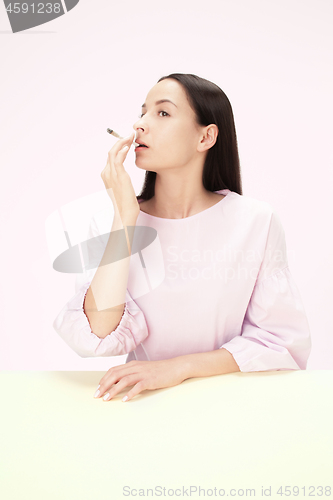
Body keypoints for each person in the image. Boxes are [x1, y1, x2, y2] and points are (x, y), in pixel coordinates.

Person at [53, 73, 312, 403]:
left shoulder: (255, 221)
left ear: (206, 137)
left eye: (162, 113)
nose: (139, 126)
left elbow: (280, 342)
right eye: (142, 112)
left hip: (228, 404)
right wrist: (124, 220)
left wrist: (178, 368)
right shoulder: (113, 220)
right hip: (139, 404)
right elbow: (98, 333)